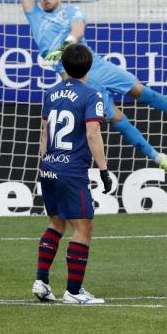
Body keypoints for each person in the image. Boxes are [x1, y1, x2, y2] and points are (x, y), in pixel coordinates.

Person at [9, 0, 167, 181]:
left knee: (138, 90)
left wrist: (59, 50)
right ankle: (159, 158)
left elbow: (77, 32)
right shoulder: (35, 16)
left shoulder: (72, 10)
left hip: (96, 64)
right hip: (78, 80)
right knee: (117, 118)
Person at [31, 44, 111, 305]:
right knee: (83, 226)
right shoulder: (91, 95)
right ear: (89, 66)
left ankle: (41, 282)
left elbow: (44, 133)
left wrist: (44, 163)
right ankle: (74, 292)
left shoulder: (51, 93)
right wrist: (104, 169)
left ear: (63, 66)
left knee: (57, 222)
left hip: (49, 166)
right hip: (72, 170)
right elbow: (92, 134)